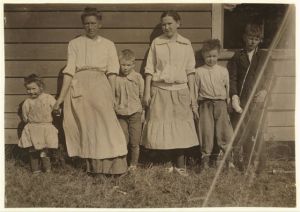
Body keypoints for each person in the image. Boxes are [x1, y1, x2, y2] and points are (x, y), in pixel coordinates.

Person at [53, 7, 128, 175]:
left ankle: (114, 168)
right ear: (83, 25)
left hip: (100, 84)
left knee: (107, 126)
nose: (90, 27)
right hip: (80, 87)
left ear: (100, 24)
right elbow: (69, 71)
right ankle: (93, 169)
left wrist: (113, 94)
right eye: (86, 24)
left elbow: (112, 72)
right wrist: (60, 99)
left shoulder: (108, 44)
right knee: (88, 128)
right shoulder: (75, 44)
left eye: (93, 23)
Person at [141, 11, 199, 176]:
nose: (166, 27)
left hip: (180, 90)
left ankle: (180, 165)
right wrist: (146, 93)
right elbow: (149, 70)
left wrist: (193, 95)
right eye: (164, 24)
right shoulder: (156, 43)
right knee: (162, 127)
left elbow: (190, 72)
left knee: (179, 129)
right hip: (160, 90)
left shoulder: (186, 44)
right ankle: (167, 163)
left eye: (170, 23)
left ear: (178, 23)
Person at [227, 23, 268, 173]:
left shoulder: (263, 56)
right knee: (244, 131)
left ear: (260, 40)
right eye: (250, 38)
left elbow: (271, 76)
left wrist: (265, 91)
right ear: (244, 38)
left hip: (258, 100)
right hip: (243, 100)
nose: (252, 41)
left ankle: (260, 163)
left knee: (257, 130)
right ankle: (246, 162)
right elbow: (233, 78)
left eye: (256, 39)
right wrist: (234, 95)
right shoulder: (238, 56)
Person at [193, 39, 235, 170]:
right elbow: (194, 90)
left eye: (214, 56)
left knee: (224, 132)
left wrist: (228, 104)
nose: (211, 59)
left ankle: (229, 161)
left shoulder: (223, 71)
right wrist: (194, 106)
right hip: (205, 104)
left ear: (218, 55)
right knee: (206, 132)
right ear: (203, 56)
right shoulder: (199, 72)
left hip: (221, 104)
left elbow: (227, 88)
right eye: (208, 56)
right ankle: (205, 160)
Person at [19, 74, 59, 173]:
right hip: (33, 127)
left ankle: (47, 169)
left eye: (34, 88)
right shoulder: (27, 102)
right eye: (28, 89)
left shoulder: (48, 98)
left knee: (44, 150)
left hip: (45, 127)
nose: (31, 91)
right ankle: (35, 170)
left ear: (40, 87)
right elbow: (25, 117)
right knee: (33, 150)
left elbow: (56, 108)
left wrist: (57, 112)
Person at [115, 49, 144, 171]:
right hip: (121, 113)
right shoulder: (116, 78)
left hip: (135, 113)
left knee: (135, 140)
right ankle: (122, 164)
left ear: (133, 65)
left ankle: (133, 165)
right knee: (123, 139)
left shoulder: (137, 77)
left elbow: (142, 95)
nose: (125, 68)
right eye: (123, 65)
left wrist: (143, 112)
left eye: (128, 65)